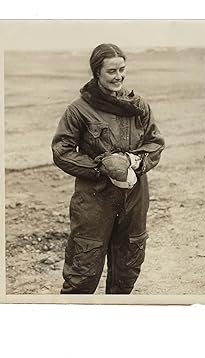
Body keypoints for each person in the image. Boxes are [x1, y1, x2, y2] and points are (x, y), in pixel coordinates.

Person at [51, 43, 165, 294]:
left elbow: (155, 143)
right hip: (94, 199)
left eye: (122, 69)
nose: (118, 76)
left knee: (127, 271)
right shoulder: (79, 109)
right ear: (96, 73)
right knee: (82, 273)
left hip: (134, 198)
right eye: (111, 71)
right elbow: (62, 151)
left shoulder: (138, 106)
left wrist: (136, 161)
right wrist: (102, 167)